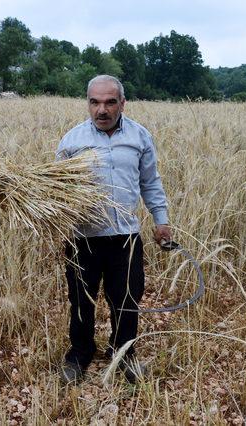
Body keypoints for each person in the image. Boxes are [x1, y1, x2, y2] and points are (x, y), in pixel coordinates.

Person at [56, 75, 172, 384]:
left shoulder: (140, 137)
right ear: (88, 103)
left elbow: (150, 182)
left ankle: (123, 354)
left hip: (125, 238)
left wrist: (161, 219)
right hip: (84, 238)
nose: (102, 110)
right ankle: (79, 354)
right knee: (82, 300)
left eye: (109, 102)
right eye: (95, 102)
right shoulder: (71, 142)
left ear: (122, 103)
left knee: (127, 299)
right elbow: (57, 190)